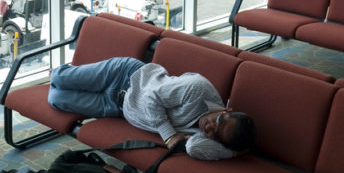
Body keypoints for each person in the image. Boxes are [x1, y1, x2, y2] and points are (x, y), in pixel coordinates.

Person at [47, 56, 255, 161]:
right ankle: (62, 71)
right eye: (218, 122)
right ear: (226, 110)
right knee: (58, 77)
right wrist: (169, 135)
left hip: (118, 108)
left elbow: (193, 148)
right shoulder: (198, 89)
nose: (208, 128)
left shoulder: (205, 135)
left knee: (56, 98)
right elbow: (151, 98)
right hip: (126, 76)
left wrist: (233, 152)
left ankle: (68, 81)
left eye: (215, 136)